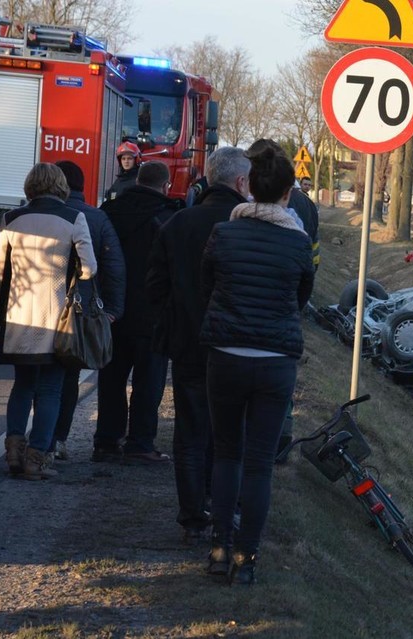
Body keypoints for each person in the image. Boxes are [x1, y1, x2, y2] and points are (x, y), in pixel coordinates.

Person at [202, 146, 314, 585]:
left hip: (226, 356)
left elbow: (206, 284)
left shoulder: (223, 234)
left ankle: (218, 547)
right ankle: (248, 556)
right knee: (260, 463)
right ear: (288, 192)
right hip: (275, 361)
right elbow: (300, 298)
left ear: (248, 187)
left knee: (227, 453)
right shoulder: (298, 242)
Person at [147, 147, 251, 543]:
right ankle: (223, 508)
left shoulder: (177, 224)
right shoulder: (246, 227)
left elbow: (154, 287)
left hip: (188, 342)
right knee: (228, 435)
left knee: (190, 432)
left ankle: (192, 516)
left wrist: (173, 324)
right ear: (242, 182)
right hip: (236, 344)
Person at [0, 164, 97, 479]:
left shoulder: (11, 219)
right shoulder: (73, 219)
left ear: (30, 186)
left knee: (22, 385)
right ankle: (36, 459)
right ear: (61, 187)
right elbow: (90, 268)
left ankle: (13, 450)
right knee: (51, 388)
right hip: (55, 319)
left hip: (18, 316)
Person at [95, 161, 181, 464]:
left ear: (137, 181)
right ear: (165, 185)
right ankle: (140, 443)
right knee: (148, 382)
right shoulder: (170, 217)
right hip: (152, 314)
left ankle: (106, 441)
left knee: (111, 380)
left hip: (112, 311)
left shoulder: (111, 211)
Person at [245, 140, 320, 461]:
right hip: (285, 310)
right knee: (280, 381)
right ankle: (281, 433)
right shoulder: (306, 206)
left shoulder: (243, 208)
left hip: (245, 315)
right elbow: (312, 264)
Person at [50, 161, 127, 462]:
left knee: (35, 377)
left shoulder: (34, 214)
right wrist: (113, 310)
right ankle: (58, 439)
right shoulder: (97, 218)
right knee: (68, 375)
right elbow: (114, 267)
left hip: (36, 310)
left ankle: (28, 439)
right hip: (77, 313)